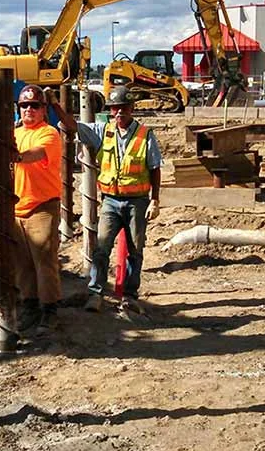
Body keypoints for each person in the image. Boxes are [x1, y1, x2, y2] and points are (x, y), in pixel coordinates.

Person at [49, 85, 161, 314]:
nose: (120, 112)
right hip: (110, 200)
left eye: (124, 108)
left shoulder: (145, 135)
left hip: (137, 201)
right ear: (111, 111)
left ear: (131, 109)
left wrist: (155, 200)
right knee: (101, 248)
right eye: (116, 108)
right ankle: (95, 293)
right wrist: (53, 104)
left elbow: (155, 168)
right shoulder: (103, 131)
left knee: (135, 250)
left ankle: (129, 296)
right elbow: (72, 126)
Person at [11, 84, 63, 333]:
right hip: (18, 206)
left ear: (44, 109)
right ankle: (29, 306)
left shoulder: (49, 133)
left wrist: (14, 155)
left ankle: (49, 310)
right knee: (23, 264)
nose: (29, 109)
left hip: (42, 207)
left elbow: (35, 154)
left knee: (44, 260)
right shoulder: (16, 133)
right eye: (24, 105)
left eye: (34, 105)